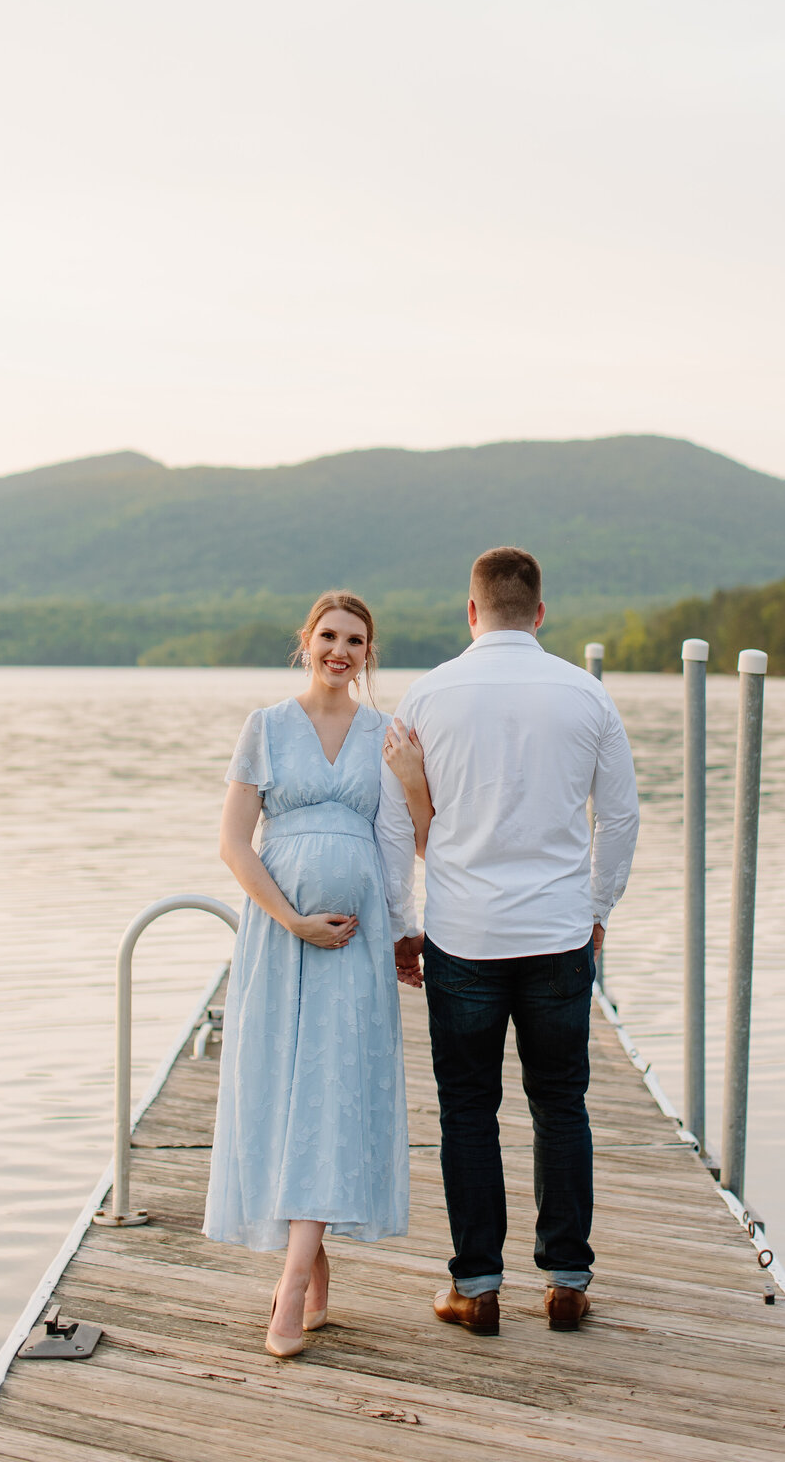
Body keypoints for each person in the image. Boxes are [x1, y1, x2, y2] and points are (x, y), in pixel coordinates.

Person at [375, 547, 640, 1337]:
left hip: (463, 934)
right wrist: (598, 907)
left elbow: (395, 823)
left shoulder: (427, 696)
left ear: (471, 611)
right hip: (558, 934)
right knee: (562, 1104)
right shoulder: (587, 696)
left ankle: (478, 1287)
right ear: (540, 612)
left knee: (468, 1110)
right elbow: (619, 820)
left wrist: (401, 924)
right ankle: (566, 1279)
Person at [203, 590, 433, 1358]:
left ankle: (294, 1287)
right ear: (306, 641)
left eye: (356, 640)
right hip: (281, 941)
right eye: (329, 635)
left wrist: (403, 931)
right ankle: (316, 1267)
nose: (342, 650)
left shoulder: (385, 735)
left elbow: (407, 840)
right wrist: (291, 918)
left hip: (360, 949)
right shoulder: (265, 728)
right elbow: (236, 845)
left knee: (335, 1095)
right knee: (285, 1094)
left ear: (371, 653)